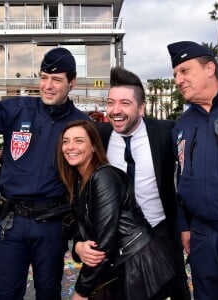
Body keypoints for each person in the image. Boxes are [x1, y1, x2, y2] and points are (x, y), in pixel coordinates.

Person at [0, 47, 89, 300]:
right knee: (5, 294)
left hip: (53, 226)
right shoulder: (18, 110)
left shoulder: (82, 125)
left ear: (72, 83)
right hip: (11, 224)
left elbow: (90, 186)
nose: (47, 85)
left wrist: (82, 237)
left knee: (49, 294)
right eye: (44, 77)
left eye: (57, 79)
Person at [78, 66, 190, 300]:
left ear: (141, 108)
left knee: (174, 293)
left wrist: (186, 225)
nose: (115, 111)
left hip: (161, 233)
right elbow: (78, 193)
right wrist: (79, 242)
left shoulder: (165, 132)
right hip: (114, 239)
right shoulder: (98, 136)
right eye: (111, 103)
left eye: (125, 103)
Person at [167, 40, 218, 300]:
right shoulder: (182, 125)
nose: (178, 80)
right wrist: (184, 226)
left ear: (210, 69)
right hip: (202, 237)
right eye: (175, 75)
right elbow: (180, 179)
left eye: (184, 71)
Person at [57, 119, 175, 300]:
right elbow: (82, 227)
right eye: (66, 141)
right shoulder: (78, 181)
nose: (70, 147)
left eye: (79, 140)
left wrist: (81, 292)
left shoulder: (103, 177)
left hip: (138, 269)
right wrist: (78, 247)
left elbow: (104, 242)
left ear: (94, 147)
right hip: (116, 269)